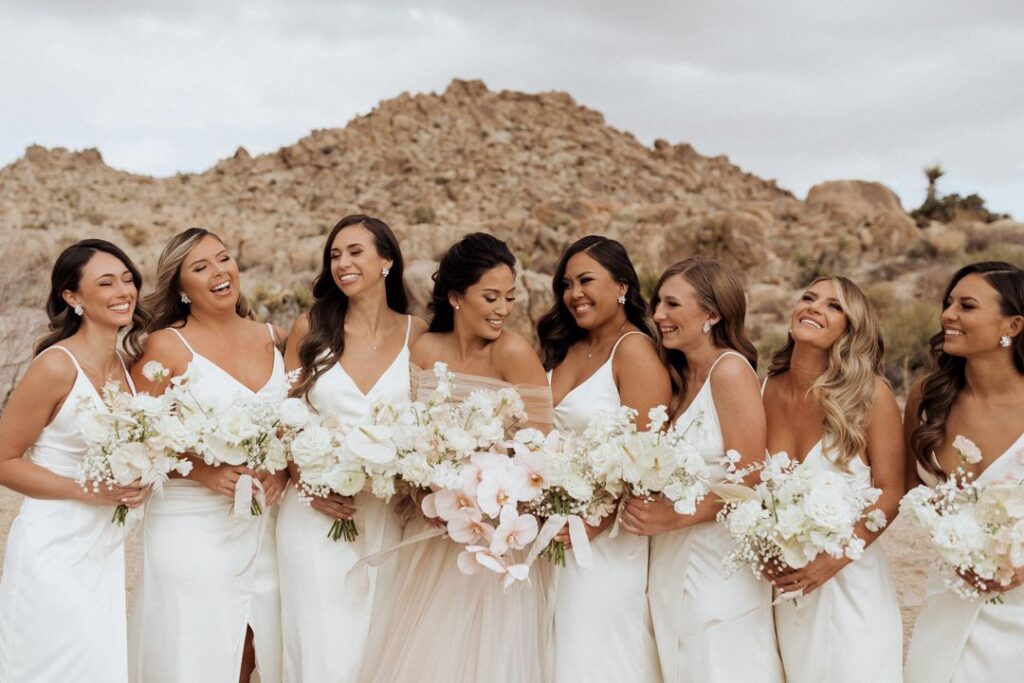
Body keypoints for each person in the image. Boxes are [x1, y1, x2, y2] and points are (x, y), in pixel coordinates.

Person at [360, 232, 554, 682]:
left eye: (509, 297)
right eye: (490, 297)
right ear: (455, 297)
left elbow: (540, 449)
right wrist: (423, 487)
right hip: (430, 529)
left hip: (492, 538)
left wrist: (490, 502)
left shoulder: (514, 352)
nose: (503, 309)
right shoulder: (426, 351)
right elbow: (409, 435)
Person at [128, 228, 287, 683]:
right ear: (181, 288)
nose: (219, 273)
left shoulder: (274, 338)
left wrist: (285, 471)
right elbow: (136, 436)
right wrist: (200, 469)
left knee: (258, 641)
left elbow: (300, 421)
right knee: (200, 640)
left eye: (223, 259)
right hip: (192, 518)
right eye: (200, 268)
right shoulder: (165, 346)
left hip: (266, 518)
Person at [620, 257, 783, 682]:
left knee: (717, 664)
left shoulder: (730, 372)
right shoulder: (677, 375)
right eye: (658, 303)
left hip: (715, 561)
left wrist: (674, 515)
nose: (658, 315)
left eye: (672, 305)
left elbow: (750, 479)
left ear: (712, 313)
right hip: (669, 556)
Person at [277, 215, 425, 682]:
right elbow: (284, 419)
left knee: (379, 648)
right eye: (335, 255)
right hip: (317, 514)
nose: (343, 263)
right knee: (323, 648)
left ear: (387, 260)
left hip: (389, 518)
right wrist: (309, 485)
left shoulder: (417, 334)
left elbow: (432, 424)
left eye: (355, 252)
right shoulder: (311, 327)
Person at [0, 239, 149, 682]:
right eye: (106, 282)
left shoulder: (127, 367)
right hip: (54, 546)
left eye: (127, 279)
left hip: (104, 549)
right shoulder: (56, 366)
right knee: (50, 665)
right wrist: (88, 490)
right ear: (72, 296)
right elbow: (4, 459)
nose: (123, 291)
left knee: (96, 667)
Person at [537, 235, 671, 682]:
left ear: (622, 286)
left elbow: (649, 456)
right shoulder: (566, 347)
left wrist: (595, 519)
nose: (574, 293)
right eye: (567, 283)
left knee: (596, 655)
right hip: (554, 530)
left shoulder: (633, 350)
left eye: (586, 280)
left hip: (606, 541)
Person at [762, 275, 904, 683]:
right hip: (786, 587)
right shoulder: (768, 387)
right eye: (808, 297)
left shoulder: (871, 395)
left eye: (833, 306)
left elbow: (892, 492)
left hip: (849, 583)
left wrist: (833, 560)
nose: (813, 307)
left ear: (851, 328)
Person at [904, 261, 1024, 683]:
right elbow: (909, 489)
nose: (948, 315)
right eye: (948, 303)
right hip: (952, 594)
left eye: (967, 305)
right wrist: (955, 544)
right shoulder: (928, 396)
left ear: (1013, 323)